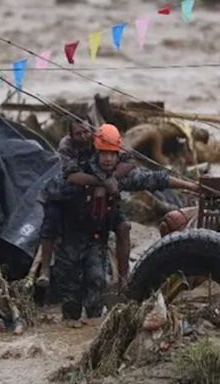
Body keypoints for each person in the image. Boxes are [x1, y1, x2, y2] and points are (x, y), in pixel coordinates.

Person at [53, 124, 199, 327]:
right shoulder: (78, 171)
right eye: (103, 154)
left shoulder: (117, 176)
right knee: (71, 300)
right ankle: (69, 331)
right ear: (95, 151)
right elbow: (55, 197)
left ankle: (118, 290)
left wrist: (192, 186)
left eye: (112, 154)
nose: (108, 159)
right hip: (70, 240)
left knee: (97, 283)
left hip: (97, 238)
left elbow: (155, 179)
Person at [36, 117, 133, 287]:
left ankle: (124, 279)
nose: (83, 136)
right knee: (51, 221)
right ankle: (45, 268)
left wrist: (112, 178)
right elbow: (73, 176)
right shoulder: (66, 146)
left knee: (122, 225)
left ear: (92, 130)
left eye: (86, 132)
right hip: (64, 192)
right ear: (71, 135)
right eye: (78, 134)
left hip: (93, 192)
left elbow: (130, 160)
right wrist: (103, 181)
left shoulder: (99, 138)